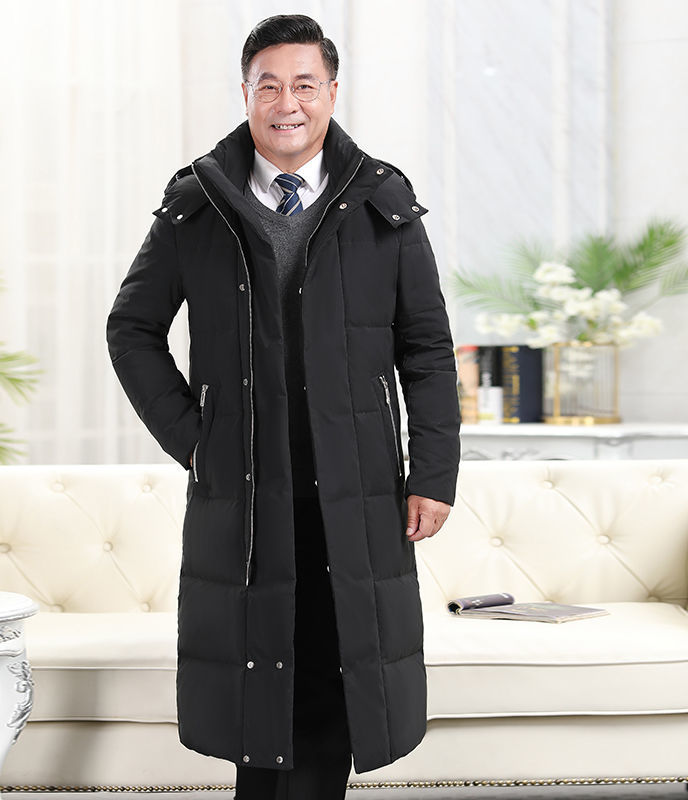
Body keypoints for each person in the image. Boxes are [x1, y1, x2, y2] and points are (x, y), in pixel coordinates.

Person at [106, 13, 460, 800]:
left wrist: (433, 473)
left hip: (356, 488)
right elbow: (131, 329)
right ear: (246, 95)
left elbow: (428, 351)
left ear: (332, 91)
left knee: (337, 683)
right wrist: (195, 439)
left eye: (305, 84)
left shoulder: (383, 202)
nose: (287, 103)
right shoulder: (197, 203)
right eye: (269, 86)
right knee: (257, 686)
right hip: (246, 489)